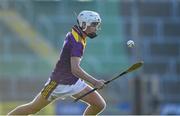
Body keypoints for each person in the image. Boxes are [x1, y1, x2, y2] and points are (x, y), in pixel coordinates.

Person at [8, 10, 106, 115]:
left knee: (99, 104)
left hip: (73, 81)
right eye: (94, 24)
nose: (96, 28)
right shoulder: (77, 42)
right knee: (33, 108)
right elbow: (75, 69)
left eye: (97, 24)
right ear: (84, 24)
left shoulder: (76, 33)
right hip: (58, 83)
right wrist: (95, 82)